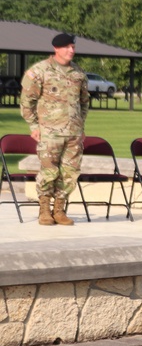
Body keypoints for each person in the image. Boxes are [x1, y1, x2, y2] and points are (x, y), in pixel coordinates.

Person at [19, 32, 90, 226]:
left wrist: (80, 124)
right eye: (67, 47)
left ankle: (59, 210)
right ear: (56, 48)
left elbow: (84, 102)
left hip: (73, 133)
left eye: (73, 47)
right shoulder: (40, 71)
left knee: (70, 173)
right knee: (49, 172)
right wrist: (34, 126)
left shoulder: (78, 73)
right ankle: (44, 210)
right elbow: (27, 102)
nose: (71, 50)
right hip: (50, 132)